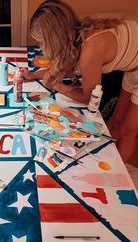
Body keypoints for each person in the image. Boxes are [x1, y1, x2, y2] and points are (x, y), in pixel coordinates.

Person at [21, 0, 138, 163]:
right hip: (132, 67)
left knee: (127, 132)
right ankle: (111, 163)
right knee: (116, 121)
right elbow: (63, 66)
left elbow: (88, 99)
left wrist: (56, 85)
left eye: (42, 42)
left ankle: (120, 177)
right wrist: (33, 76)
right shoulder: (74, 35)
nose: (41, 47)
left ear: (53, 38)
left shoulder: (90, 51)